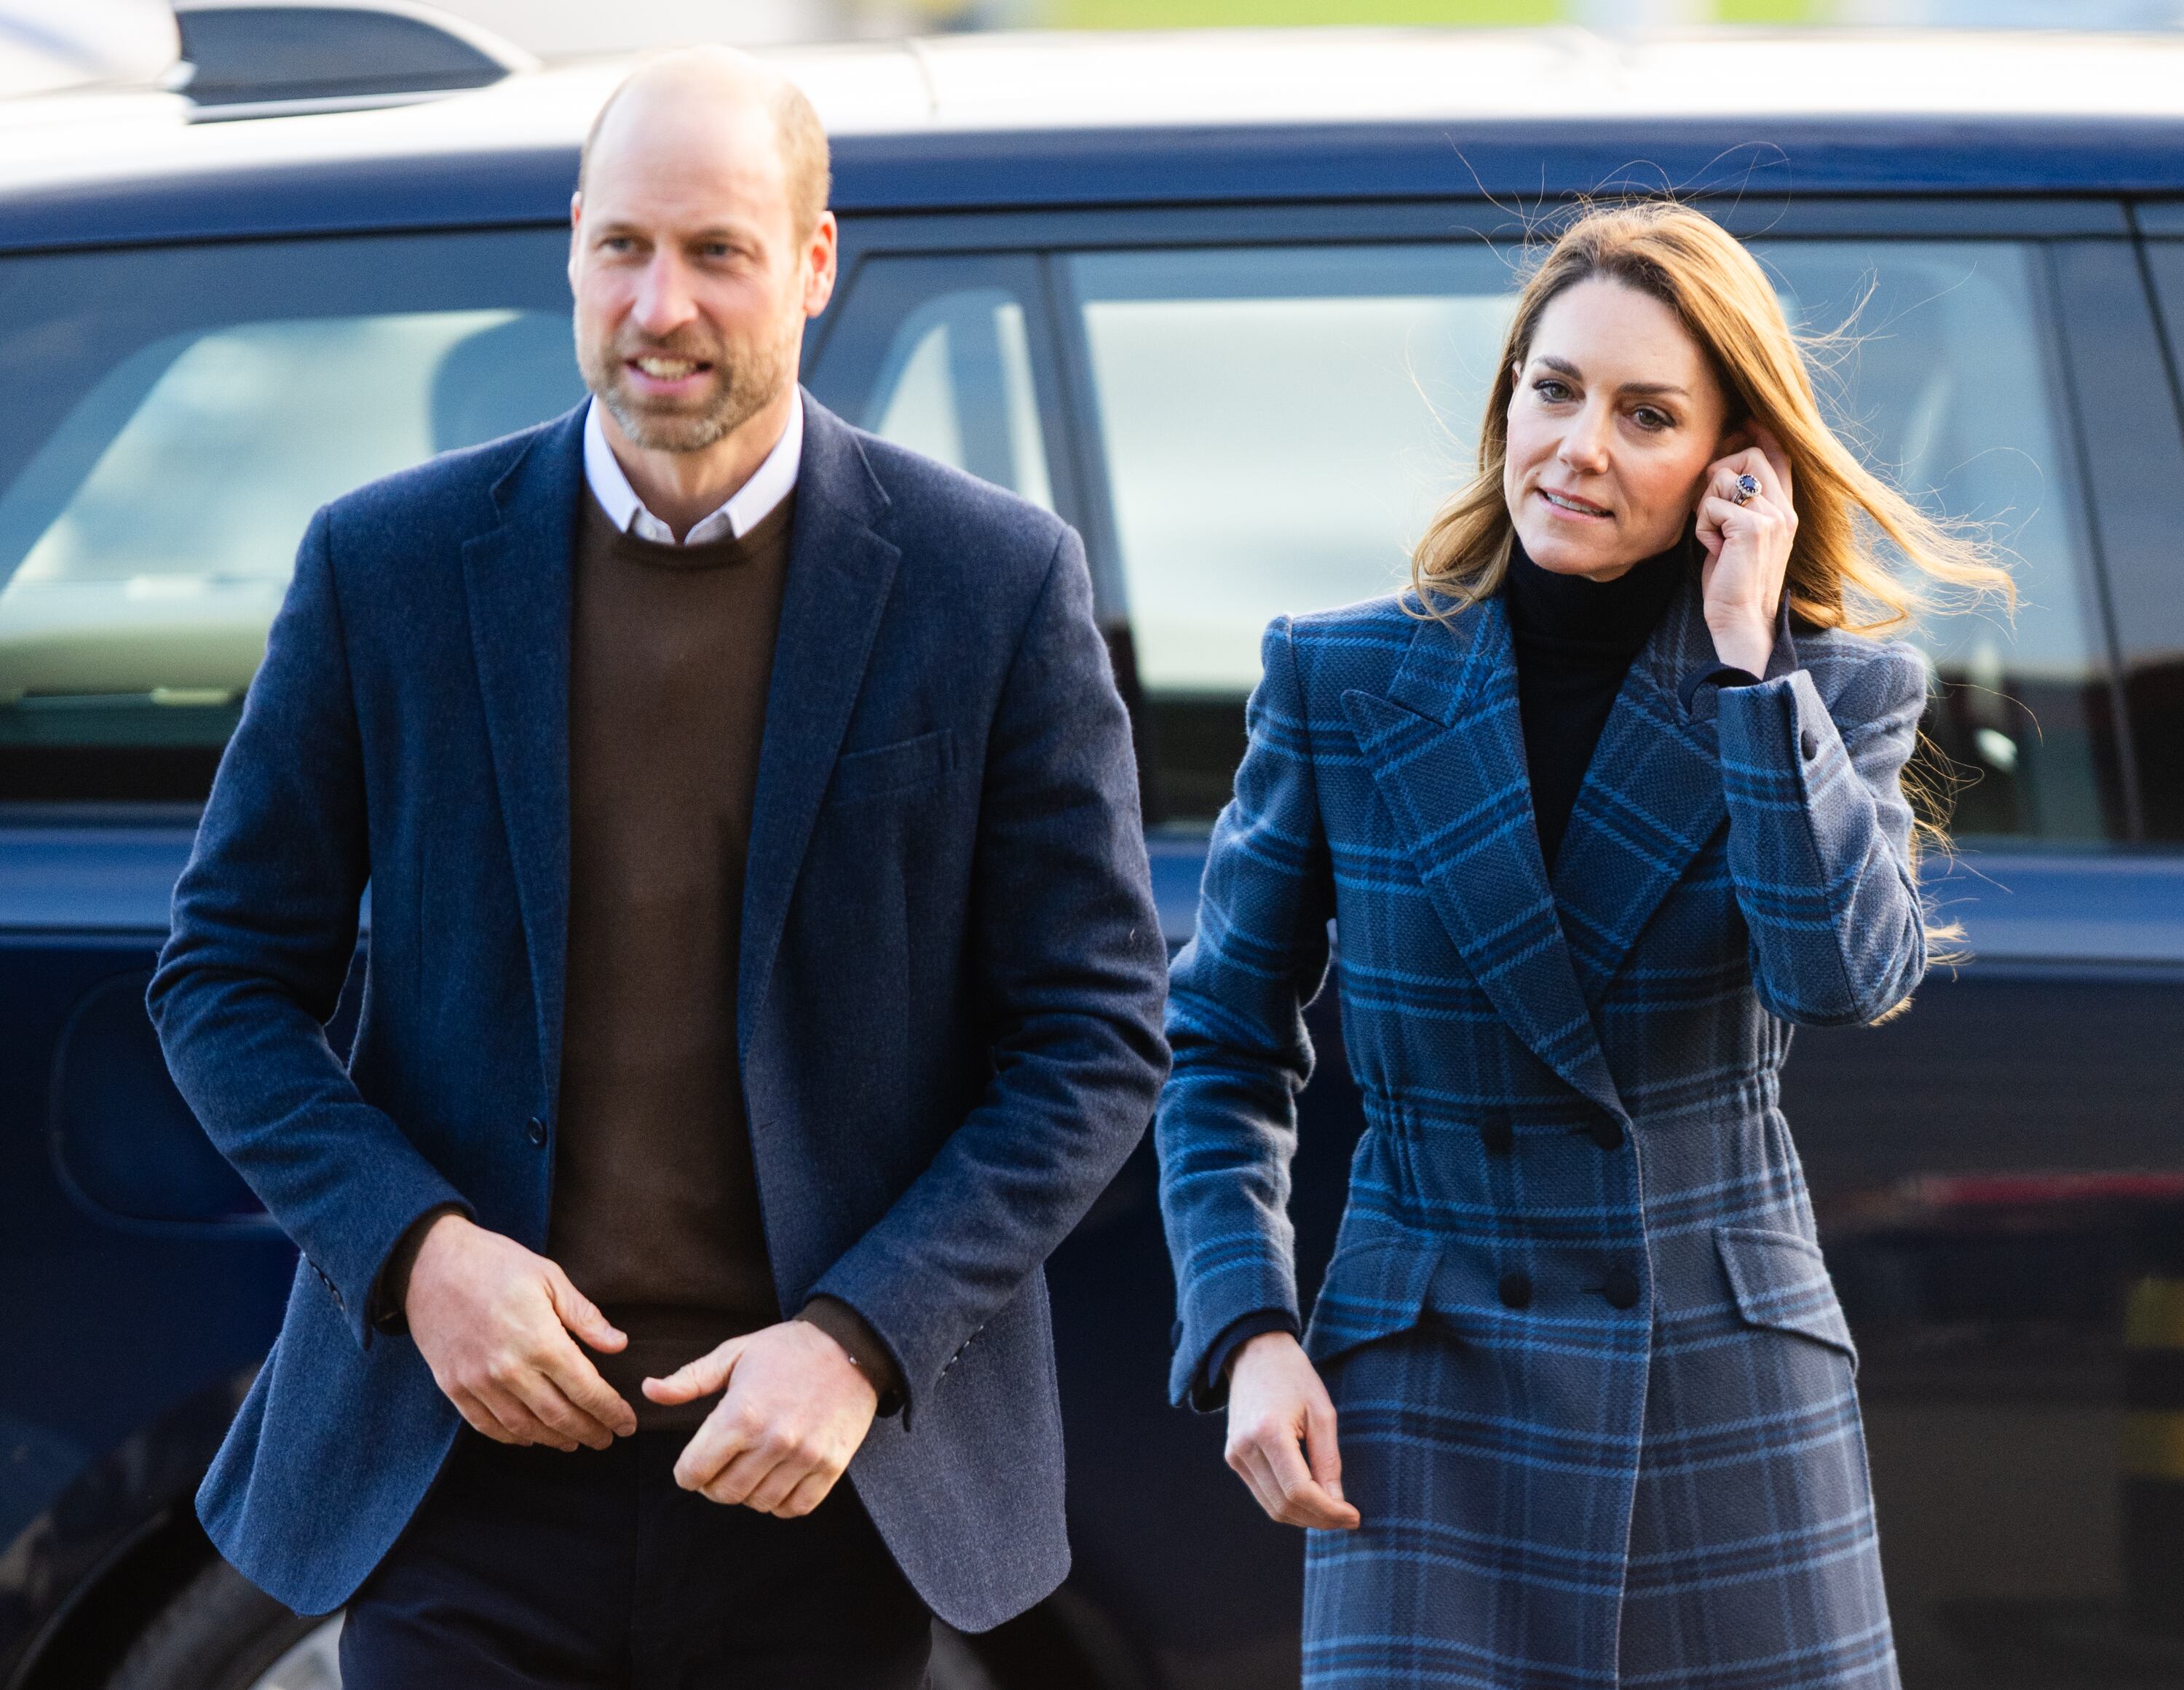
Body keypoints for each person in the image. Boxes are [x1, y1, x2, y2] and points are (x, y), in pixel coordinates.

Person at [148, 46, 1168, 1689]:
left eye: (717, 252)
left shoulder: (990, 585)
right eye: (622, 247)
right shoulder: (383, 568)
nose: (660, 305)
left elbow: (1098, 1033)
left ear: (816, 263)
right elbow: (219, 981)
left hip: (813, 1477)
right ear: (569, 248)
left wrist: (861, 1344)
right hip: (460, 1470)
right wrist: (419, 1257)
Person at [1155, 200, 2011, 1690]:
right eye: (1554, 391)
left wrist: (1751, 666)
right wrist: (1246, 1330)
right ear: (1506, 404)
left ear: (1731, 462)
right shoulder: (1346, 676)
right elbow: (1220, 1047)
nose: (1581, 447)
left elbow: (1837, 976)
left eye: (1647, 414)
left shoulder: (1829, 690)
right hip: (1424, 1392)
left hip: (1718, 1385)